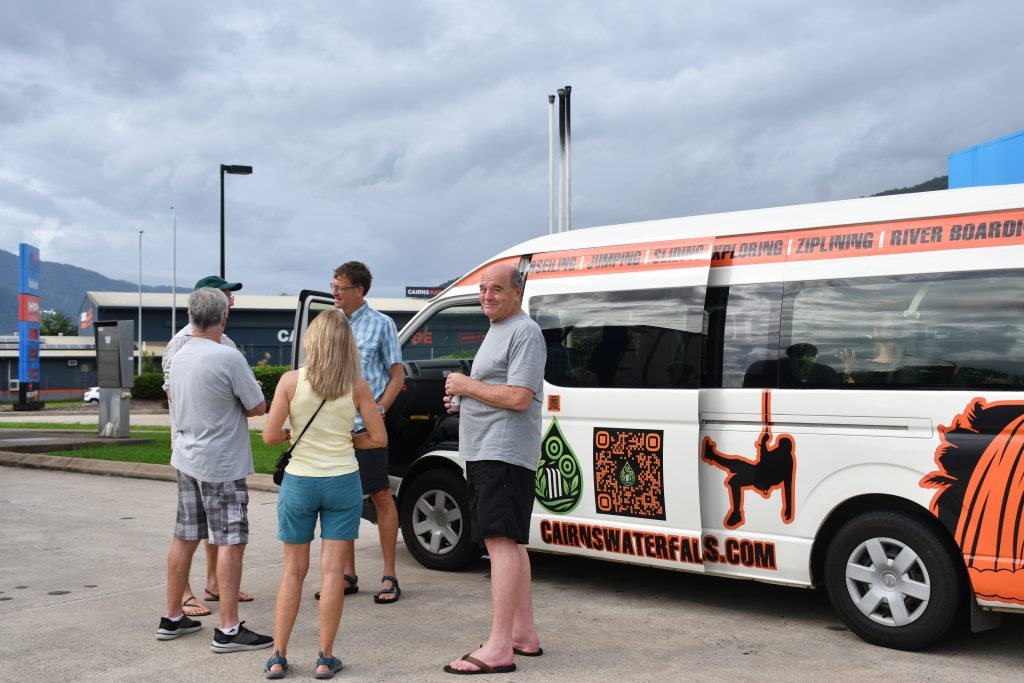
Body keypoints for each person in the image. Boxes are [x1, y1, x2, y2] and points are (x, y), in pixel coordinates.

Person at [262, 309, 387, 679]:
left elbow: (269, 436)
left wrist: (288, 434)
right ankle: (324, 657)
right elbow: (378, 438)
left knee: (293, 571)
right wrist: (349, 439)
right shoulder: (357, 385)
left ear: (311, 342)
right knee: (333, 572)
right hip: (342, 481)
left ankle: (277, 656)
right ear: (347, 345)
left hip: (300, 482)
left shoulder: (290, 381)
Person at [442, 263, 546, 675]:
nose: (487, 295)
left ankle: (499, 647)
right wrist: (466, 399)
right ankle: (523, 634)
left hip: (502, 452)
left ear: (517, 292)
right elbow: (499, 389)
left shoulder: (524, 332)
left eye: (497, 289)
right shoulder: (499, 328)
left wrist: (466, 385)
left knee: (499, 541)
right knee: (511, 543)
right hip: (489, 449)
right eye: (483, 289)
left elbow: (519, 397)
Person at [156, 287, 272, 653]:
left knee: (185, 536)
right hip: (221, 462)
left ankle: (172, 617)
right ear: (223, 317)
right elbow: (257, 407)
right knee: (230, 540)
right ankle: (228, 628)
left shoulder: (179, 356)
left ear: (192, 317)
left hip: (186, 456)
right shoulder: (228, 357)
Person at [319, 261, 404, 605]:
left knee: (380, 495)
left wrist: (378, 411)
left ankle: (389, 575)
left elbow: (397, 376)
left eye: (339, 287)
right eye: (332, 286)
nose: (334, 292)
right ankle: (347, 575)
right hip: (334, 428)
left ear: (360, 290)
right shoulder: (329, 323)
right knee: (342, 500)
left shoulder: (382, 324)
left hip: (366, 428)